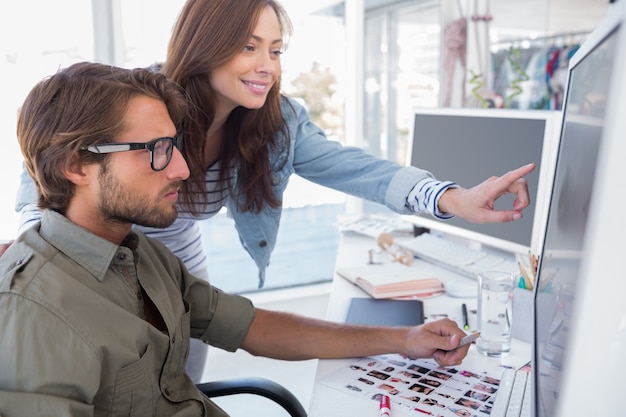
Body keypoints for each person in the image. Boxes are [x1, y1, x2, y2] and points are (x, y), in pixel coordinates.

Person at [6, 0, 535, 382]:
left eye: (276, 50)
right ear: (205, 45)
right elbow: (54, 157)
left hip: (171, 256)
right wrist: (41, 248)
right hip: (93, 252)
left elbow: (353, 169)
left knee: (173, 384)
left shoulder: (276, 123)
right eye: (248, 46)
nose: (267, 65)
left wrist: (451, 199)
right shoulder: (143, 100)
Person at [0, 61, 471, 416]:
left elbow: (256, 328)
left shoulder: (145, 257)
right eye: (157, 151)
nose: (184, 170)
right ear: (75, 165)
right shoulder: (32, 313)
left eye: (176, 145)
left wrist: (405, 339)